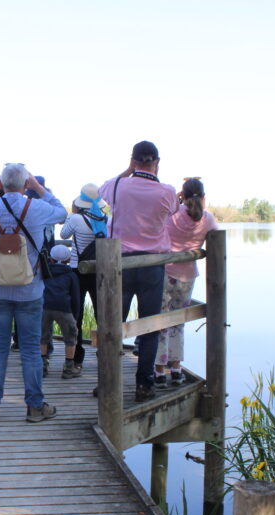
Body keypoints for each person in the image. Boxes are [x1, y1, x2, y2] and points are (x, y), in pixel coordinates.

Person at [0, 162, 67, 422]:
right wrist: (39, 188)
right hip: (29, 291)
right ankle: (34, 407)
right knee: (31, 350)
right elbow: (62, 212)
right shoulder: (37, 207)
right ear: (25, 183)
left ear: (2, 182)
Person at [99, 141, 179, 402]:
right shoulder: (166, 191)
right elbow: (175, 210)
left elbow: (101, 190)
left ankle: (108, 383)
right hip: (152, 266)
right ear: (157, 162)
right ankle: (144, 385)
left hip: (120, 263)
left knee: (112, 326)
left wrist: (128, 170)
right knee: (149, 327)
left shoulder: (119, 186)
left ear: (133, 161)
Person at [155, 178, 218, 386]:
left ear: (182, 195)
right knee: (178, 322)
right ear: (203, 197)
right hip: (187, 275)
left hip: (164, 272)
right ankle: (176, 367)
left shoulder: (172, 214)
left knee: (160, 320)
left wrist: (175, 200)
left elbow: (157, 226)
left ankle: (159, 370)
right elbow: (217, 239)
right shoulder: (207, 219)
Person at [59, 183, 108, 368]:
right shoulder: (106, 219)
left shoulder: (76, 218)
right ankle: (103, 351)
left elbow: (63, 235)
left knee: (76, 314)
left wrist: (72, 213)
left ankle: (76, 356)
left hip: (77, 270)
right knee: (100, 313)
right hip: (100, 270)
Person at [41, 244, 82, 379]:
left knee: (43, 336)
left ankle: (42, 365)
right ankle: (68, 368)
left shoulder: (44, 272)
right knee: (70, 337)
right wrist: (75, 318)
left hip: (44, 307)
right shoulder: (71, 275)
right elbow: (76, 298)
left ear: (50, 259)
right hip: (64, 308)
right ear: (68, 259)